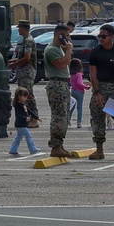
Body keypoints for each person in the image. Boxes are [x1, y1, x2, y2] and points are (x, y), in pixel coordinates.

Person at [88, 23, 114, 160]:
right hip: (100, 87)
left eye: (104, 36)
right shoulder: (95, 52)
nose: (101, 39)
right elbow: (93, 74)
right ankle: (99, 150)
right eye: (99, 36)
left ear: (112, 36)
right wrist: (96, 92)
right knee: (97, 119)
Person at [43, 24, 75, 158]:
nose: (68, 39)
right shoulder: (52, 49)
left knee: (64, 116)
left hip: (63, 84)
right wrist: (68, 50)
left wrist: (67, 50)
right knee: (59, 116)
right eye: (66, 36)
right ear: (59, 36)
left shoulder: (60, 49)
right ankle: (55, 146)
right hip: (57, 85)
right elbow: (62, 64)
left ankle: (60, 145)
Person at [7, 20, 40, 128]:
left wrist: (14, 65)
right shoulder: (26, 40)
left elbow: (27, 58)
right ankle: (29, 117)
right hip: (23, 72)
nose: (18, 30)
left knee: (27, 95)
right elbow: (23, 57)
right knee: (25, 95)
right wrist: (13, 61)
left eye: (19, 28)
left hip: (27, 72)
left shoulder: (28, 41)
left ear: (23, 28)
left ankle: (34, 118)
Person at [8, 87, 39, 156]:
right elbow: (18, 115)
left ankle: (13, 150)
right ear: (19, 96)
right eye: (24, 96)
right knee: (28, 136)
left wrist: (37, 117)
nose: (25, 98)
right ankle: (32, 149)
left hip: (22, 124)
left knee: (19, 137)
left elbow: (29, 111)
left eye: (26, 97)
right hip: (21, 125)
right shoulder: (18, 106)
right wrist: (25, 118)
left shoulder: (22, 104)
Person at [68, 58, 88, 128]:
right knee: (79, 107)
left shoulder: (72, 74)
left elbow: (70, 83)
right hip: (80, 92)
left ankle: (68, 119)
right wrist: (86, 87)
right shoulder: (79, 74)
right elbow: (79, 83)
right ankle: (79, 122)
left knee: (71, 106)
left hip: (73, 91)